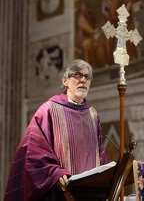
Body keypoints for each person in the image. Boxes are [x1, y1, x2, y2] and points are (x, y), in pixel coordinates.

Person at [4, 59, 107, 201]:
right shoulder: (49, 110)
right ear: (65, 81)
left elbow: (99, 154)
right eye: (77, 75)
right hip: (60, 192)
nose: (83, 80)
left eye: (87, 77)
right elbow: (34, 151)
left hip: (88, 194)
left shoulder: (93, 115)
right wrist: (54, 172)